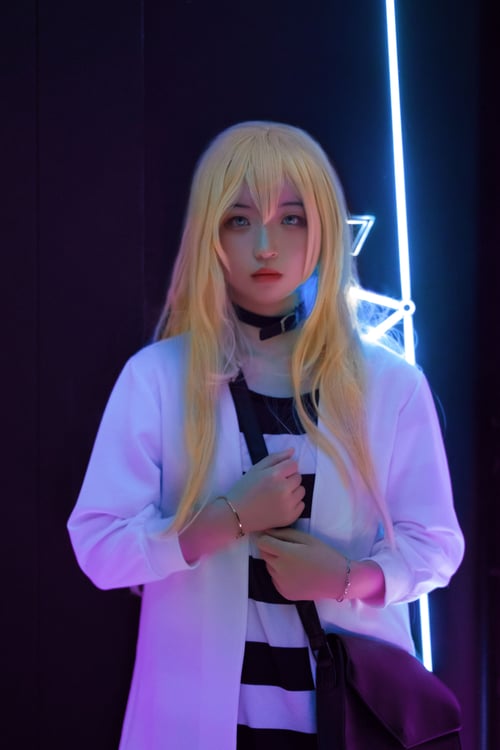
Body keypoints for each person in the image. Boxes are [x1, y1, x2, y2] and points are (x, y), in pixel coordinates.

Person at [67, 121, 464, 750]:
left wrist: (346, 578)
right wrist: (220, 521)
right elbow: (98, 545)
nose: (265, 246)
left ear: (325, 228)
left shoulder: (390, 385)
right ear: (210, 233)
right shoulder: (159, 378)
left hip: (349, 717)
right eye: (239, 220)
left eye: (292, 219)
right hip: (199, 723)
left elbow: (435, 546)